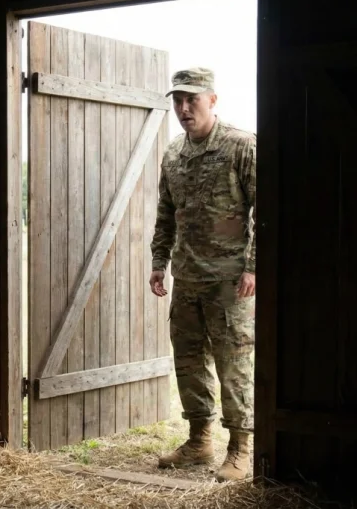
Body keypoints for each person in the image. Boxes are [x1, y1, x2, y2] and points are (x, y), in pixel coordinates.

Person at [148, 67, 256, 482]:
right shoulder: (174, 153)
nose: (183, 107)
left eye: (192, 99)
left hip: (231, 281)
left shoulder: (240, 146)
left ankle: (241, 447)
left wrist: (253, 267)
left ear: (213, 100)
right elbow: (165, 213)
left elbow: (266, 210)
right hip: (188, 276)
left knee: (234, 362)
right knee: (189, 360)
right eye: (177, 99)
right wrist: (160, 262)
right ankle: (198, 441)